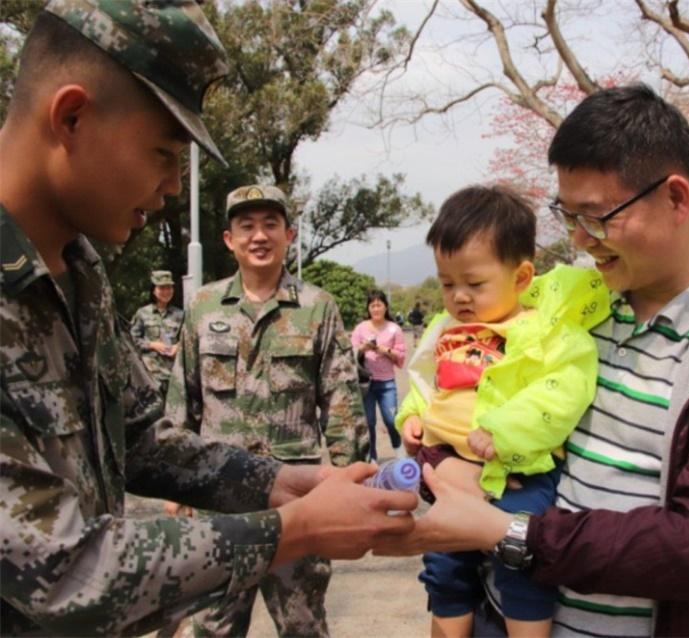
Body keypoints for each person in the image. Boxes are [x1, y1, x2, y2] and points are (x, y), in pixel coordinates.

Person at [0, 3, 415, 636]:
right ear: (71, 116)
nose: (172, 186)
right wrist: (291, 530)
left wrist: (276, 483)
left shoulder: (80, 272)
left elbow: (141, 438)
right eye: (163, 153)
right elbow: (60, 570)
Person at [377, 84, 689, 637]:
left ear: (676, 199)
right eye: (568, 218)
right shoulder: (561, 308)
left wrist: (511, 532)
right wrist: (442, 462)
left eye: (597, 217)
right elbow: (467, 406)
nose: (581, 241)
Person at [398, 185, 610, 637]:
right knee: (444, 564)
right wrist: (412, 417)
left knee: (523, 566)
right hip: (447, 470)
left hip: (519, 473)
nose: (459, 297)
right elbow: (425, 382)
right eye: (447, 283)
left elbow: (562, 391)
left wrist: (505, 432)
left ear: (521, 277)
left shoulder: (546, 332)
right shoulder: (446, 329)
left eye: (475, 284)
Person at [164, 184, 368, 637]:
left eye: (270, 224)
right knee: (213, 624)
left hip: (296, 496)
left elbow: (341, 401)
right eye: (247, 226)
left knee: (302, 622)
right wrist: (173, 481)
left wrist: (354, 478)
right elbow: (184, 395)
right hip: (218, 494)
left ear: (289, 234)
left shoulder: (318, 307)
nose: (259, 236)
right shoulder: (202, 307)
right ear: (229, 239)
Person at [351, 289, 407, 460]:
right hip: (365, 383)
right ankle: (372, 459)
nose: (376, 309)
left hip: (387, 384)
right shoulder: (360, 328)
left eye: (379, 305)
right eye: (372, 305)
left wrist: (387, 350)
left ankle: (399, 453)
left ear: (386, 307)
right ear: (368, 308)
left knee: (391, 420)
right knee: (369, 423)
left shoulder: (394, 329)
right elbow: (350, 352)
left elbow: (401, 355)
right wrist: (362, 348)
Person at [130, 269, 184, 397]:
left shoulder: (180, 314)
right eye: (162, 288)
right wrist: (152, 345)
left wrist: (178, 346)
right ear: (154, 290)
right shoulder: (143, 313)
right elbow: (131, 340)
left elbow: (189, 339)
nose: (166, 292)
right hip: (150, 375)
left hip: (174, 375)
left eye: (169, 288)